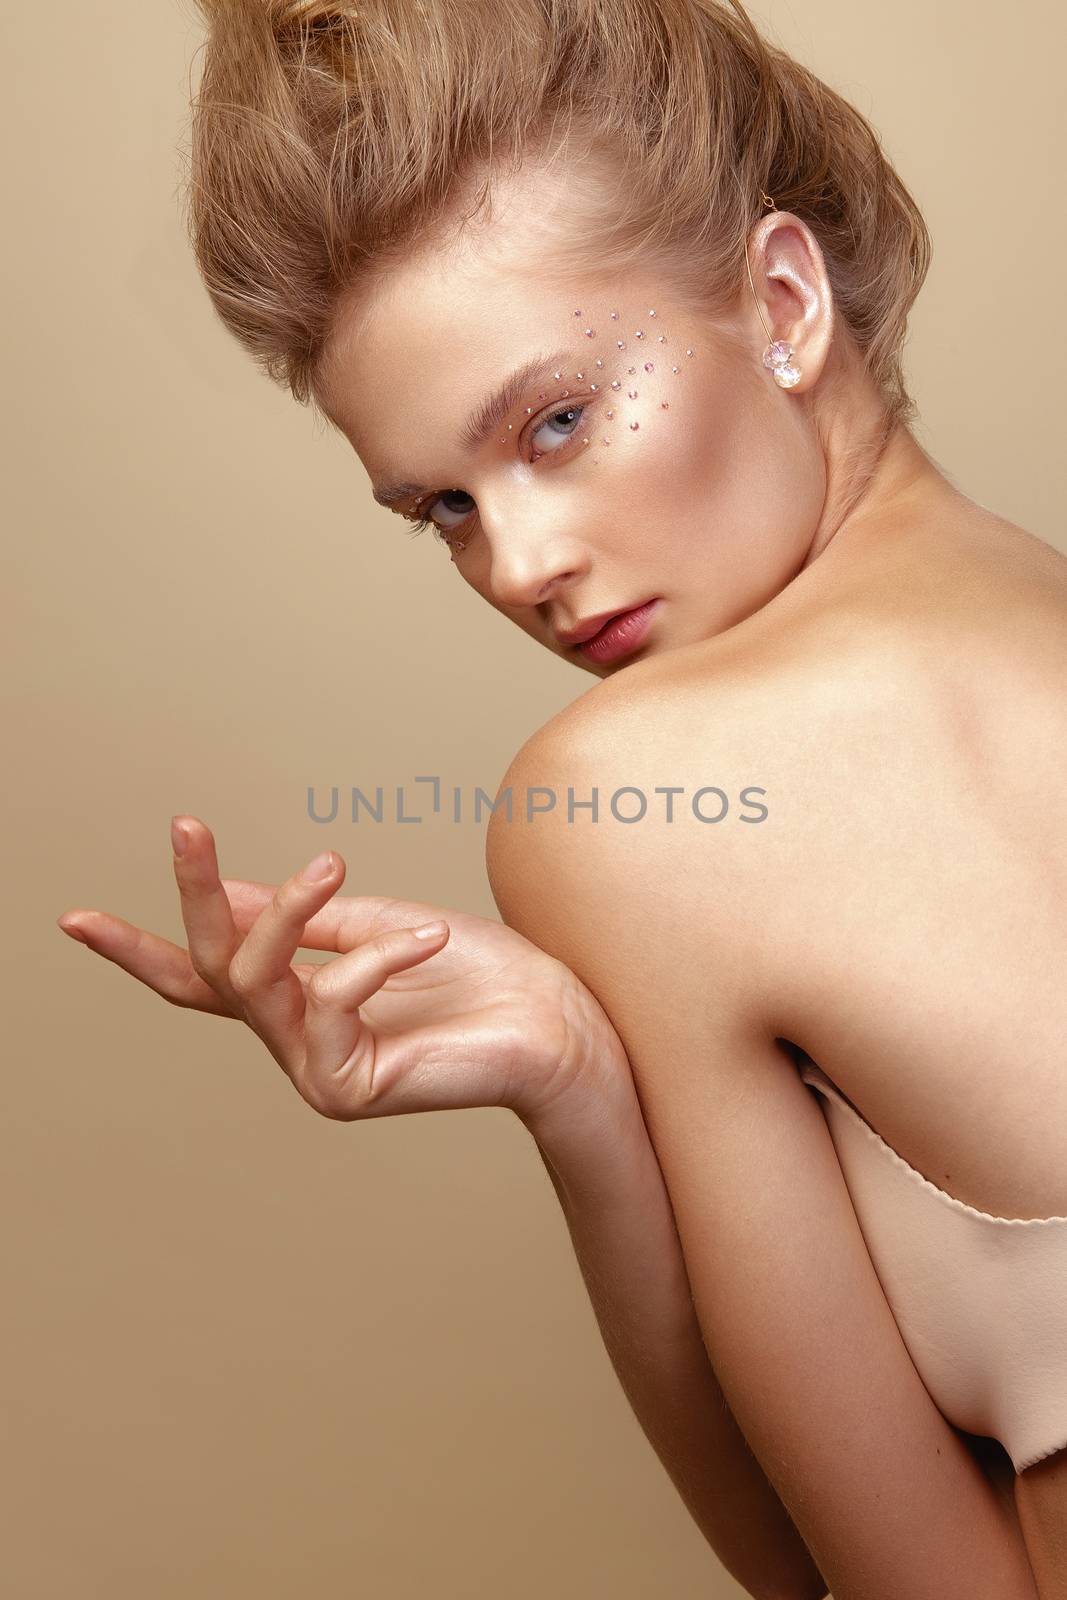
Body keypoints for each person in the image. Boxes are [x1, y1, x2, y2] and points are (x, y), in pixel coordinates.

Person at [56, 2, 1066, 1596]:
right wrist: (582, 1072)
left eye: (557, 424)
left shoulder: (630, 793)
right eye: (442, 507)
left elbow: (840, 1582)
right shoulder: (1029, 620)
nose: (519, 568)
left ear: (786, 299)